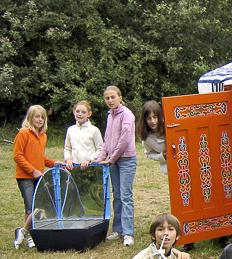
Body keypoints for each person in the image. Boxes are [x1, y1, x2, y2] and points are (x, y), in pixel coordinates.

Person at [13, 105, 61, 249]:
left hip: (38, 176)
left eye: (42, 117)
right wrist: (32, 170)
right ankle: (29, 236)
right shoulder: (23, 134)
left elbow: (40, 158)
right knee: (30, 206)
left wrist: (53, 163)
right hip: (25, 177)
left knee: (38, 206)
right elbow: (18, 156)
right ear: (30, 118)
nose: (39, 119)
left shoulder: (43, 136)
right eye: (36, 117)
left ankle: (24, 232)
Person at [96, 86, 137, 247]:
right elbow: (107, 139)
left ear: (120, 97)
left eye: (113, 97)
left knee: (126, 196)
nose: (110, 100)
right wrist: (101, 159)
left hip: (126, 161)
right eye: (107, 98)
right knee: (117, 196)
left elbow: (125, 139)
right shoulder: (110, 116)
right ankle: (118, 229)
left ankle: (128, 233)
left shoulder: (127, 115)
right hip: (112, 162)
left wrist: (111, 159)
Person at [64, 100, 103, 170]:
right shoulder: (70, 130)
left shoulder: (94, 130)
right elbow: (67, 148)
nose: (80, 114)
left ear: (89, 114)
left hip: (90, 168)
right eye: (77, 111)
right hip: (74, 167)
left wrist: (88, 160)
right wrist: (68, 159)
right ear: (74, 112)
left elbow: (100, 150)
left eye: (83, 112)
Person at [137, 100, 167, 175]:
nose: (152, 121)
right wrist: (162, 156)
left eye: (155, 117)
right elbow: (149, 153)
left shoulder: (168, 127)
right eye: (149, 118)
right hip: (168, 168)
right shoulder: (146, 137)